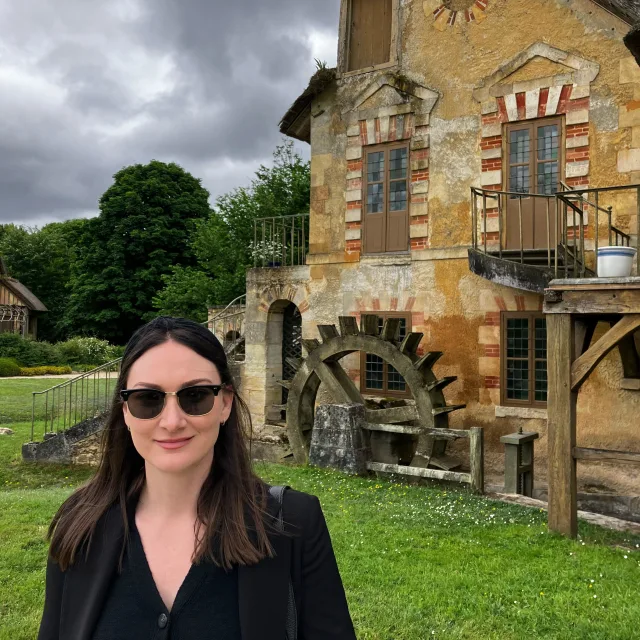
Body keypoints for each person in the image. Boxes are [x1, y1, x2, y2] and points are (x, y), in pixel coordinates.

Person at [38, 316, 356, 640]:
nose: (172, 421)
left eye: (196, 396)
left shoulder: (292, 524)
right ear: (125, 410)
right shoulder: (80, 525)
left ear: (225, 403)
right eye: (148, 399)